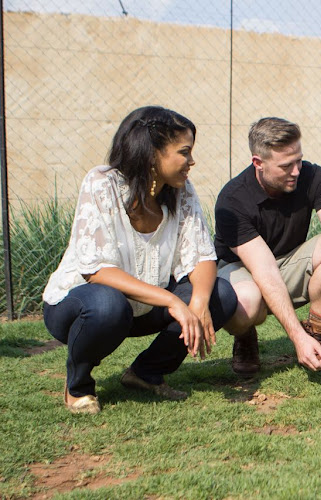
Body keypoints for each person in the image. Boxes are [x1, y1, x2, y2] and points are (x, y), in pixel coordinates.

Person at [42, 106, 237, 414]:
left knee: (220, 295)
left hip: (143, 307)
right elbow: (97, 271)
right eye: (184, 152)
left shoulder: (181, 192)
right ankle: (78, 385)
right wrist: (173, 302)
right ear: (152, 154)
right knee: (108, 305)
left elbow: (201, 254)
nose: (191, 161)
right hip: (79, 307)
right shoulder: (101, 183)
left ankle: (145, 374)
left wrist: (198, 302)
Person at [214, 117, 321, 375]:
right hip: (239, 270)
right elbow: (263, 270)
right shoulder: (233, 199)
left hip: (286, 263)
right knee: (248, 304)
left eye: (298, 160)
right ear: (258, 163)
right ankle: (246, 337)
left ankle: (315, 338)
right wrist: (294, 337)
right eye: (286, 166)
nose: (296, 170)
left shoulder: (312, 176)